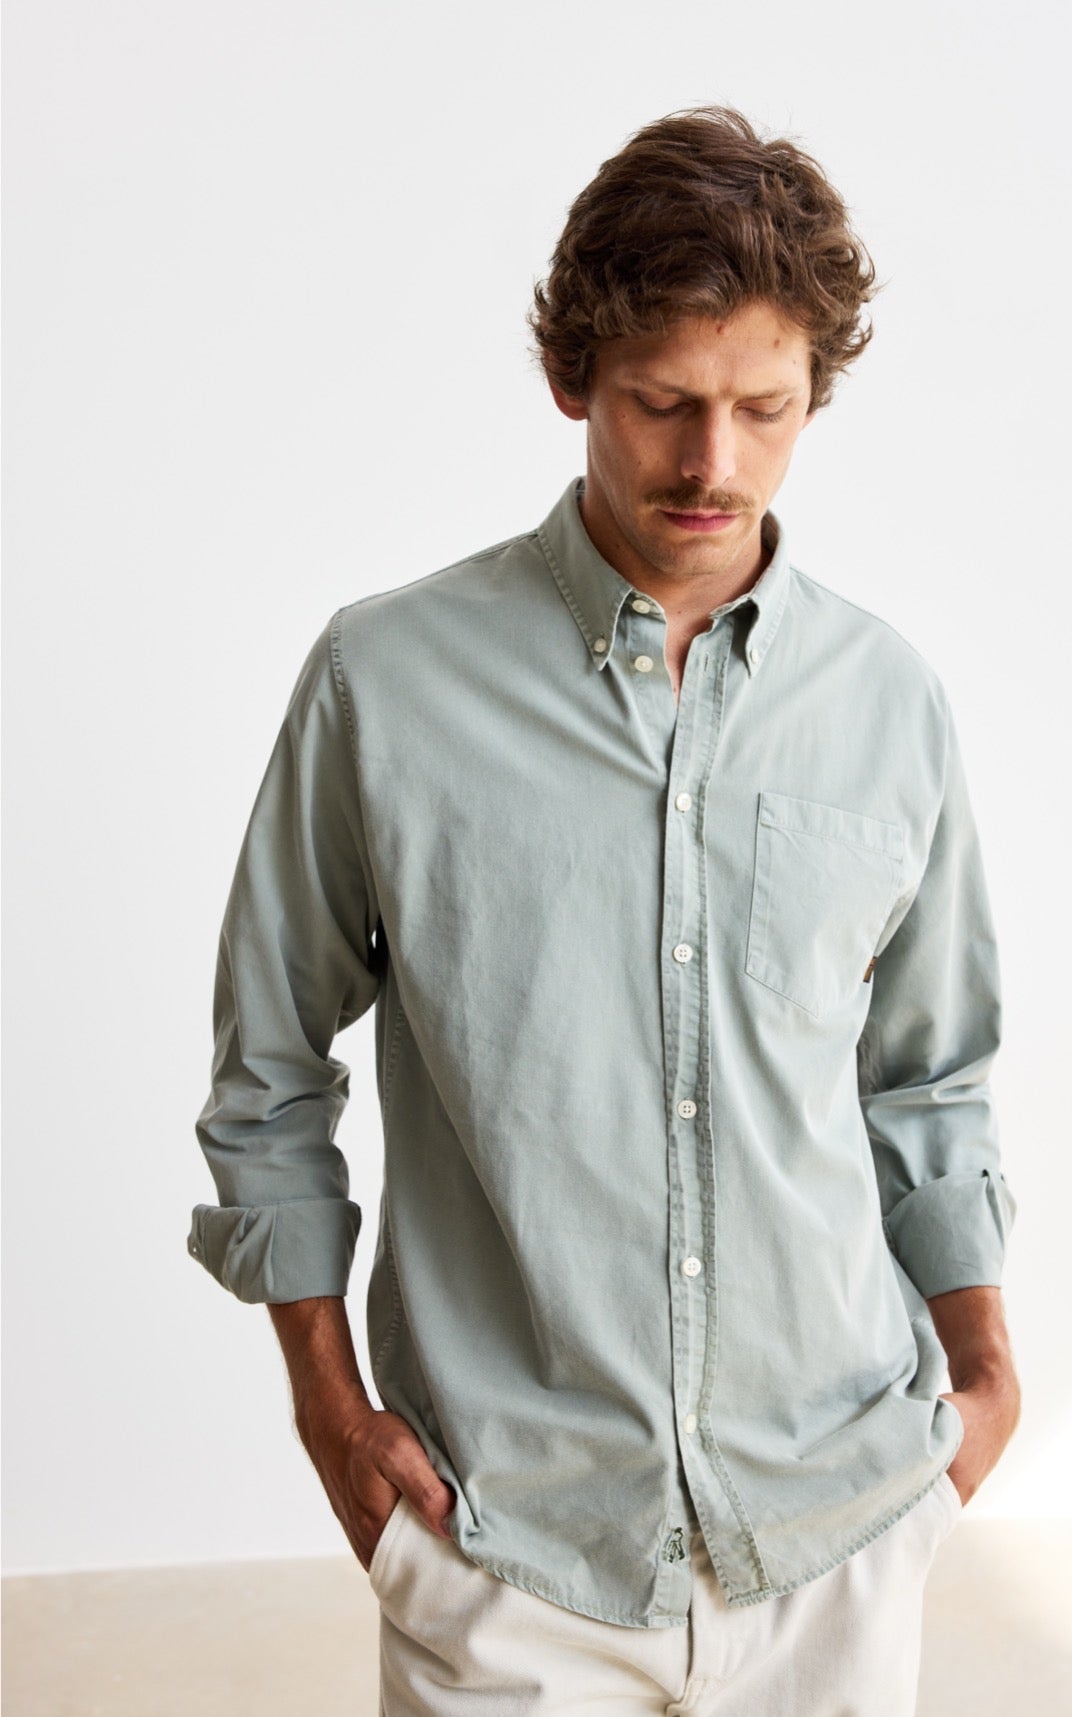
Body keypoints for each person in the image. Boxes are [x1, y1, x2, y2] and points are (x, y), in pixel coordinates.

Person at [188, 105, 1021, 1716]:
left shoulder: (887, 701)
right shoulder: (386, 683)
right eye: (662, 403)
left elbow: (929, 1079)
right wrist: (331, 1419)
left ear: (813, 396)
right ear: (574, 377)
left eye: (762, 408)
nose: (713, 463)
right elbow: (268, 1071)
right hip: (509, 1555)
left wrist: (981, 1381)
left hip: (837, 1535)